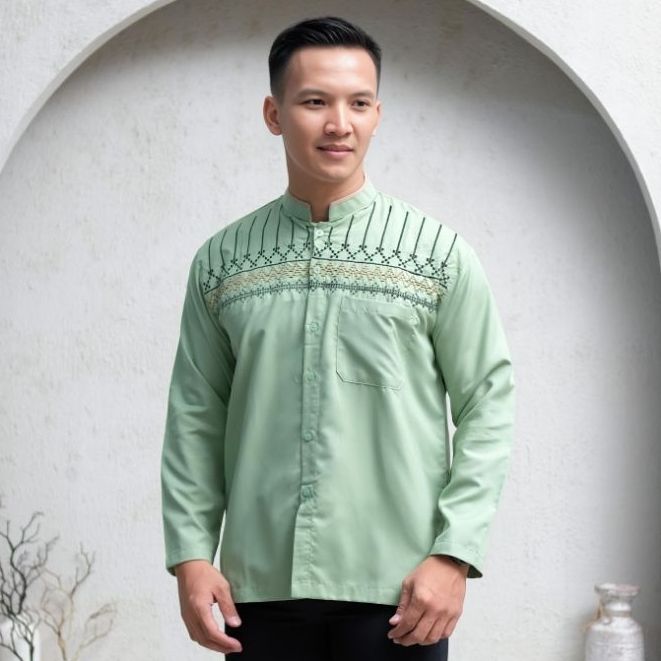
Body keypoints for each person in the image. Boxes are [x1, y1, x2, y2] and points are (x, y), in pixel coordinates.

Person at [160, 14, 516, 661]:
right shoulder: (222, 262)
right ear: (274, 114)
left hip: (401, 594)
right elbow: (195, 414)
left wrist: (454, 554)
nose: (338, 123)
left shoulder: (438, 255)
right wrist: (190, 554)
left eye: (358, 103)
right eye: (315, 102)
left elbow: (487, 404)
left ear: (377, 115)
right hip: (256, 590)